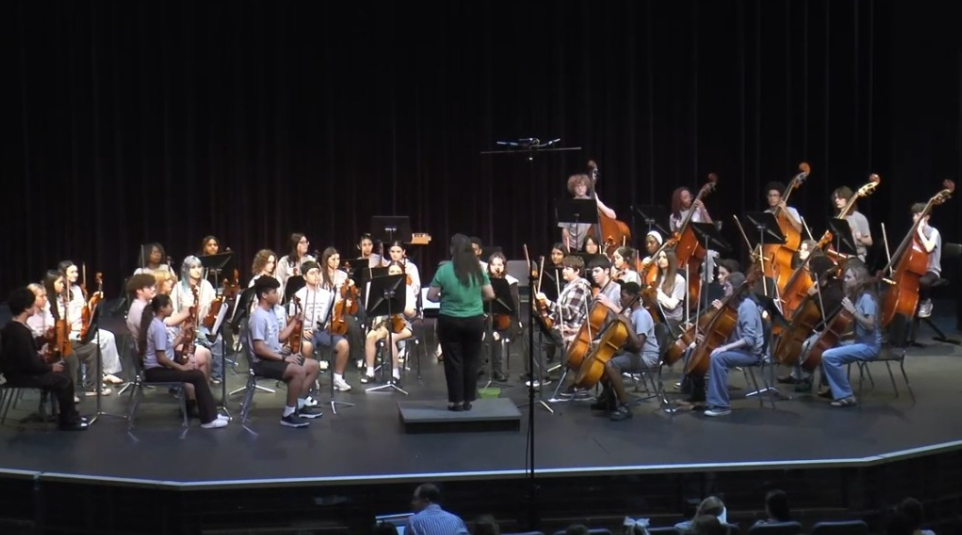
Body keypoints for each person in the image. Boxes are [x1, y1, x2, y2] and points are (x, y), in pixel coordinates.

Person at [0, 287, 87, 430]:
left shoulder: (13, 326)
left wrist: (44, 338)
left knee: (63, 370)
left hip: (18, 372)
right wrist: (50, 367)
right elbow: (30, 364)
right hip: (21, 375)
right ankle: (67, 421)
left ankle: (69, 415)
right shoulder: (20, 332)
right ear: (26, 307)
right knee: (64, 380)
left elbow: (28, 350)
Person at [138, 295, 228, 429]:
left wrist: (182, 333)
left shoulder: (158, 324)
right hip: (155, 372)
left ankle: (211, 414)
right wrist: (182, 368)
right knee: (197, 376)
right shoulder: (158, 327)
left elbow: (168, 347)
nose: (172, 308)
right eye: (170, 306)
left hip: (158, 368)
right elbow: (161, 357)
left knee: (196, 372)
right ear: (162, 308)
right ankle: (208, 420)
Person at [427, 234, 494, 411]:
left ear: (451, 249)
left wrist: (444, 297)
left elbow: (431, 296)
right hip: (474, 320)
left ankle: (455, 402)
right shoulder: (478, 270)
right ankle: (468, 400)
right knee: (471, 360)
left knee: (453, 361)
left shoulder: (444, 270)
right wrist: (475, 299)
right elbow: (490, 294)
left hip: (449, 320)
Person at [247, 276, 323, 427]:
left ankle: (300, 405)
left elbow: (280, 337)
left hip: (275, 356)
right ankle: (288, 414)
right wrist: (284, 359)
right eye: (274, 292)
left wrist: (295, 321)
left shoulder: (271, 312)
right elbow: (259, 348)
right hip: (262, 362)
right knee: (298, 371)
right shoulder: (258, 317)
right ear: (264, 295)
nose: (278, 295)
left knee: (313, 366)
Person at [591, 282, 661, 421]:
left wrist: (627, 323)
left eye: (623, 296)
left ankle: (624, 406)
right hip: (636, 354)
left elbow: (638, 345)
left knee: (611, 365)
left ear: (633, 297)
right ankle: (608, 398)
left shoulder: (641, 315)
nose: (620, 299)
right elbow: (630, 342)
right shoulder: (634, 314)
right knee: (601, 358)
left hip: (647, 357)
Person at [704, 271, 766, 417]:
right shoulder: (734, 305)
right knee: (703, 350)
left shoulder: (747, 306)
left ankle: (721, 405)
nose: (724, 289)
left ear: (736, 288)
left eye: (727, 286)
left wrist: (724, 348)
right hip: (739, 349)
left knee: (718, 358)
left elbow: (749, 340)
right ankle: (699, 393)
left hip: (750, 353)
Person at [820, 261, 881, 407]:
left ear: (858, 279)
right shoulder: (857, 296)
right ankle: (834, 388)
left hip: (870, 346)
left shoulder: (867, 298)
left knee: (829, 356)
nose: (845, 280)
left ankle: (846, 395)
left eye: (848, 277)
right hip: (860, 341)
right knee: (824, 346)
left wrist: (852, 310)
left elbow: (870, 325)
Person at [57, 261, 124, 390]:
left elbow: (84, 310)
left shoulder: (77, 289)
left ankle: (108, 373)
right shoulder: (60, 293)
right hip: (70, 330)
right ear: (63, 274)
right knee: (94, 342)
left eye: (76, 272)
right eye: (72, 272)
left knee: (108, 337)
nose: (76, 274)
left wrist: (94, 300)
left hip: (82, 327)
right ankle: (93, 378)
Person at [360, 261, 416, 385]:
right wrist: (378, 318)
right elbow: (375, 308)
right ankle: (370, 372)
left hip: (402, 324)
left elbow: (412, 314)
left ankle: (395, 374)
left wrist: (400, 302)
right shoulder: (382, 289)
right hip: (385, 322)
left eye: (397, 272)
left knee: (390, 338)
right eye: (392, 271)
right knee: (370, 336)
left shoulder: (407, 289)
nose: (394, 274)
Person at [559, 173, 617, 251]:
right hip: (574, 245)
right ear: (573, 188)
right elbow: (565, 231)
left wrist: (597, 202)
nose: (580, 188)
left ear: (587, 187)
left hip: (591, 245)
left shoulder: (593, 201)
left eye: (583, 186)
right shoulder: (569, 205)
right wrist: (566, 249)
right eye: (577, 186)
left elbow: (613, 216)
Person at [910, 203, 942, 318]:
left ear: (927, 217)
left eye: (918, 215)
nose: (914, 218)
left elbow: (929, 248)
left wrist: (919, 232)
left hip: (931, 270)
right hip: (916, 269)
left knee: (923, 281)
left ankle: (925, 302)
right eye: (913, 215)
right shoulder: (913, 233)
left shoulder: (934, 232)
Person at [405, 483, 469, 535]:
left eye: (415, 499)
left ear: (426, 500)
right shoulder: (456, 520)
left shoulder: (413, 521)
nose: (412, 503)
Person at [832, 186, 873, 261]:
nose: (837, 200)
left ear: (847, 198)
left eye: (840, 198)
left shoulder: (859, 217)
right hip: (838, 256)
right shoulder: (836, 218)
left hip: (855, 258)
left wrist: (860, 238)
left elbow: (869, 241)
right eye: (836, 198)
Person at [654, 250, 687, 334]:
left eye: (664, 257)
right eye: (659, 257)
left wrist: (658, 293)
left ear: (671, 260)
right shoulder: (657, 278)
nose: (660, 260)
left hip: (672, 319)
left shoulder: (679, 280)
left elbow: (672, 305)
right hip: (658, 315)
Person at [276, 233, 316, 298]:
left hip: (308, 295)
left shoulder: (311, 260)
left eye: (306, 242)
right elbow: (279, 281)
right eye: (302, 242)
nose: (306, 244)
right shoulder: (284, 261)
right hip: (289, 296)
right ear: (295, 244)